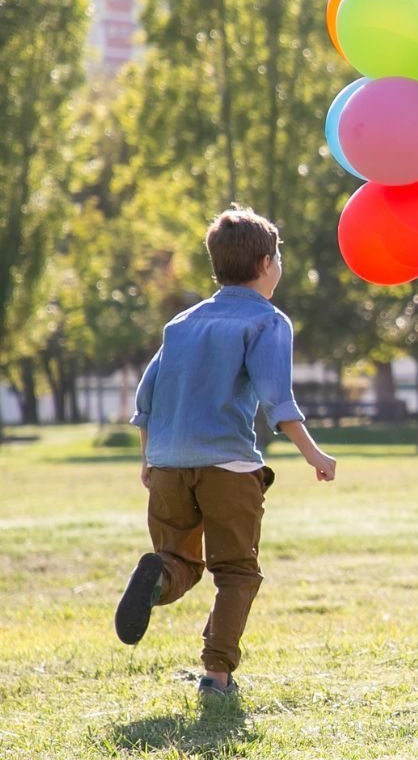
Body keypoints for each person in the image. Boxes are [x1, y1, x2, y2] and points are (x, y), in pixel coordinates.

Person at [115, 207, 337, 697]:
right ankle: (216, 676)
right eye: (278, 257)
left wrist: (148, 459)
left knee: (180, 561)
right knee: (236, 571)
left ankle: (159, 575)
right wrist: (315, 455)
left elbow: (146, 398)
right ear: (265, 264)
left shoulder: (182, 323)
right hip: (228, 466)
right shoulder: (267, 321)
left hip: (169, 464)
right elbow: (278, 401)